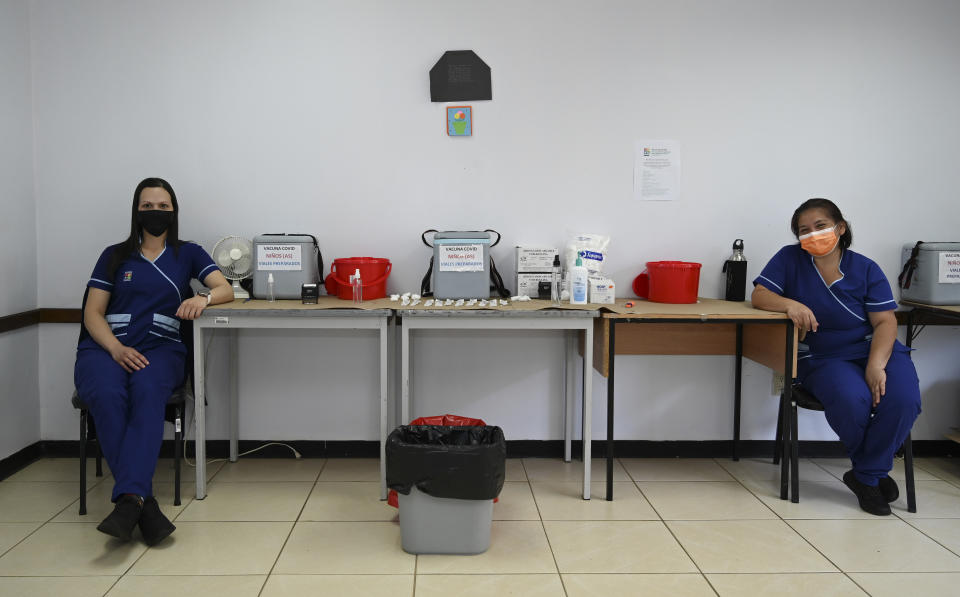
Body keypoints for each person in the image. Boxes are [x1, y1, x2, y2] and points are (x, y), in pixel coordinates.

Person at [74, 177, 232, 543]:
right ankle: (140, 502)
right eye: (148, 206)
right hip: (106, 349)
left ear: (173, 211)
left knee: (147, 391)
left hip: (161, 349)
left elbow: (224, 287)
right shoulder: (114, 255)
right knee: (107, 395)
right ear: (136, 211)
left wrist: (203, 299)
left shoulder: (188, 252)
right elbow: (93, 313)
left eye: (163, 206)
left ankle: (130, 498)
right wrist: (115, 349)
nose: (155, 212)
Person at [752, 198, 921, 516]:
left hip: (876, 349)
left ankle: (865, 475)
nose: (812, 235)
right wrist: (791, 304)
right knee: (850, 398)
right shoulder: (790, 259)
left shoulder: (866, 268)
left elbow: (886, 321)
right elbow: (760, 295)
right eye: (804, 231)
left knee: (903, 399)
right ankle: (873, 474)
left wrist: (876, 365)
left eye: (820, 226)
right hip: (823, 356)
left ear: (840, 228)